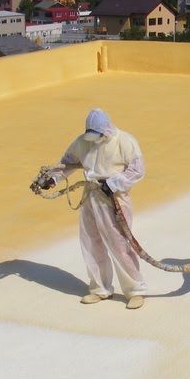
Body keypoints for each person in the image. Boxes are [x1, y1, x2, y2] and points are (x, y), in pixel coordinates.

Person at [46, 108, 148, 309]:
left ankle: (135, 290)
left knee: (120, 243)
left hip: (114, 198)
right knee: (91, 242)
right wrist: (53, 178)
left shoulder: (124, 141)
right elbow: (69, 162)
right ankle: (99, 288)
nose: (95, 139)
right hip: (91, 195)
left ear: (106, 130)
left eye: (98, 135)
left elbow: (137, 170)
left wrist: (112, 184)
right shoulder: (83, 141)